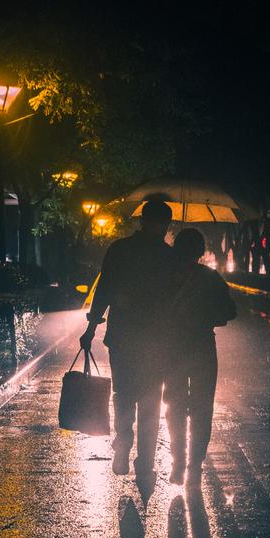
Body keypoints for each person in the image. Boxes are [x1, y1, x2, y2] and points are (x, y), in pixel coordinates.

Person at [80, 199, 175, 481]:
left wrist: (91, 328)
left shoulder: (120, 249)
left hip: (123, 337)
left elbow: (104, 290)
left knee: (123, 394)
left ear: (142, 220)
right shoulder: (169, 257)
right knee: (150, 398)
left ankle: (123, 445)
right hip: (156, 340)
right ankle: (144, 458)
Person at [163, 228, 236, 486]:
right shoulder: (210, 277)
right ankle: (195, 460)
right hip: (203, 346)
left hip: (172, 348)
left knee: (174, 404)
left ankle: (177, 460)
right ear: (201, 251)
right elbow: (229, 311)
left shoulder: (164, 278)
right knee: (202, 405)